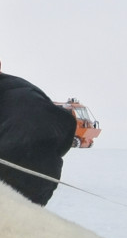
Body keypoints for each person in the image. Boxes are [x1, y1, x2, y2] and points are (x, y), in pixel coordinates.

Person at [0, 67, 76, 205]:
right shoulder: (29, 93)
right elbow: (65, 128)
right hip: (36, 194)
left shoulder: (21, 100)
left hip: (16, 194)